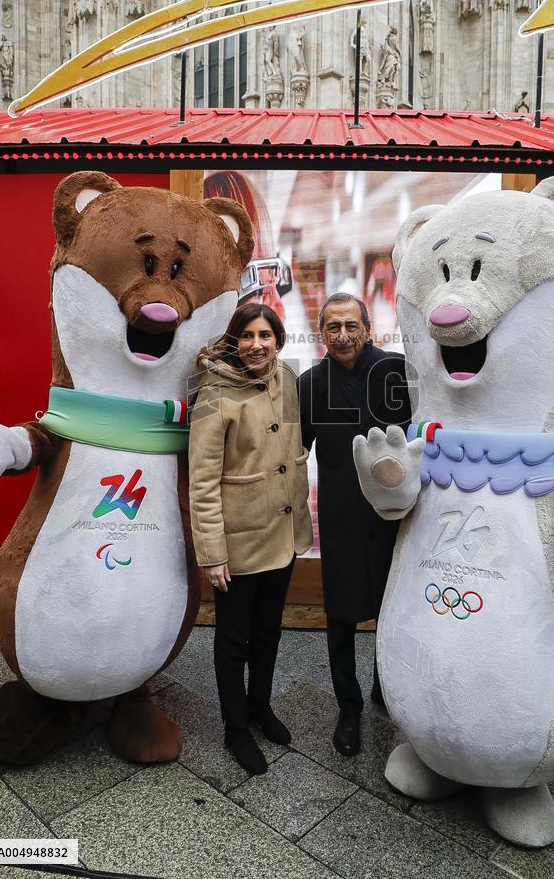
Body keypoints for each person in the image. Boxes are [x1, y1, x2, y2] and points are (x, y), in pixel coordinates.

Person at [189, 303, 313, 775]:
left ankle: (260, 708)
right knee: (233, 639)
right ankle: (235, 728)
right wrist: (212, 553)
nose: (256, 344)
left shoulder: (286, 377)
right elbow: (202, 480)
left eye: (265, 335)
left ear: (277, 340)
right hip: (238, 544)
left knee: (269, 631)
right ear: (234, 342)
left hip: (282, 533)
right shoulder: (214, 393)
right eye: (247, 336)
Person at [298, 294, 412, 756]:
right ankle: (349, 709)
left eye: (351, 325)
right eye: (332, 328)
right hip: (341, 517)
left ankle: (389, 690)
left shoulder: (398, 373)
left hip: (393, 518)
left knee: (393, 610)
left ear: (368, 328)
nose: (342, 335)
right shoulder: (309, 384)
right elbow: (292, 451)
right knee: (340, 617)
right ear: (322, 333)